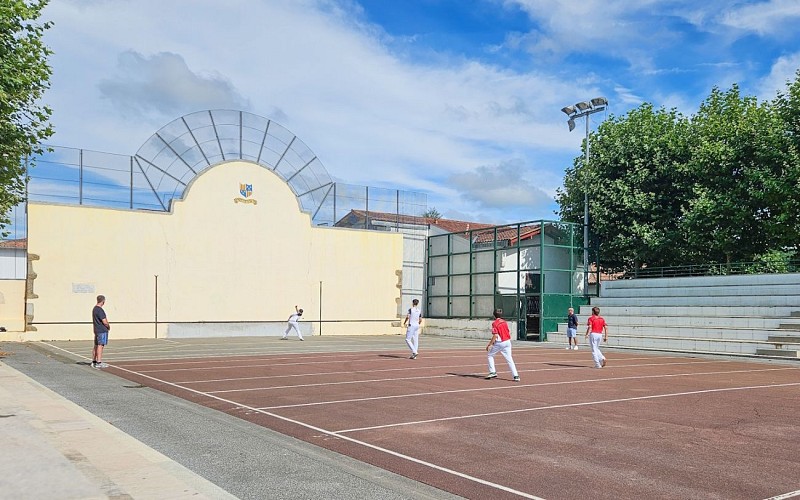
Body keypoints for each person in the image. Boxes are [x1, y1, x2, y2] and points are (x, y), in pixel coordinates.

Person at [485, 309, 520, 382]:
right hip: (507, 341)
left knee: (490, 355)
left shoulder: (495, 323)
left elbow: (495, 335)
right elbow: (507, 331)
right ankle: (516, 376)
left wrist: (489, 344)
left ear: (494, 315)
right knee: (509, 359)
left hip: (500, 342)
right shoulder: (504, 322)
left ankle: (492, 372)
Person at [92, 295, 110, 369]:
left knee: (96, 345)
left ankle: (94, 361)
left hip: (96, 329)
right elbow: (104, 321)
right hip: (101, 330)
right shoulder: (100, 310)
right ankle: (99, 362)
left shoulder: (94, 309)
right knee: (100, 345)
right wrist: (108, 326)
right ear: (103, 301)